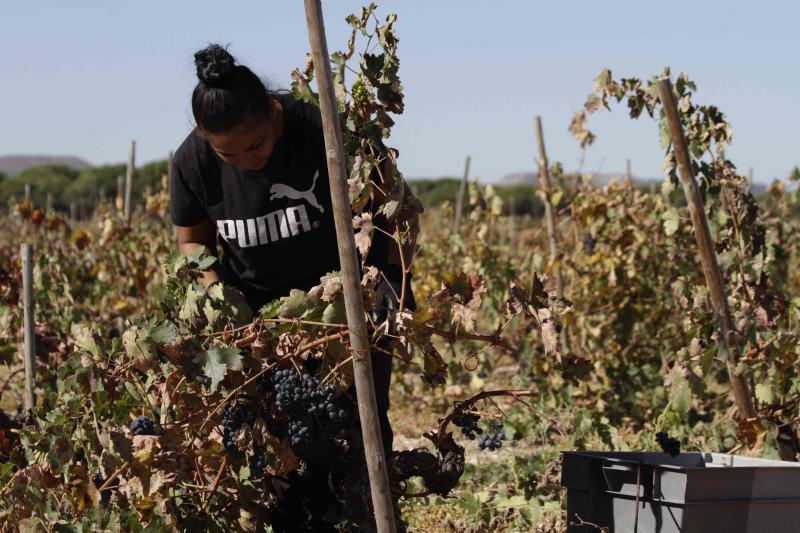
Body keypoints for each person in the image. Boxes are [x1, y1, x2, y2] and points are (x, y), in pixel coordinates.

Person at [169, 44, 414, 530]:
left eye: (255, 147)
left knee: (358, 429)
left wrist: (385, 284)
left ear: (272, 112)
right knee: (279, 443)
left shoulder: (322, 130)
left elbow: (396, 212)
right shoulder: (192, 161)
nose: (247, 161)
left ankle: (367, 520)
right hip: (264, 320)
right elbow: (193, 246)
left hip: (345, 308)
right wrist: (220, 303)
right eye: (229, 154)